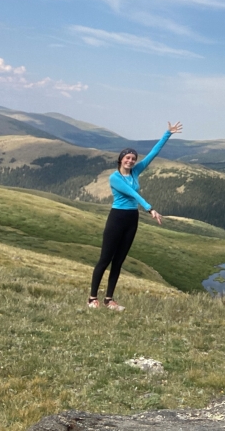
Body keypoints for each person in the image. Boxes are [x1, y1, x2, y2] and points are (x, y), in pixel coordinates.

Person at [88, 121, 183, 311]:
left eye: (133, 158)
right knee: (105, 259)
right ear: (120, 159)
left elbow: (152, 155)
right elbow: (133, 194)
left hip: (132, 219)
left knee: (119, 261)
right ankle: (92, 298)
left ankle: (109, 299)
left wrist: (167, 134)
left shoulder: (136, 172)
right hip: (117, 218)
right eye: (127, 158)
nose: (131, 161)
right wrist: (150, 208)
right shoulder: (115, 178)